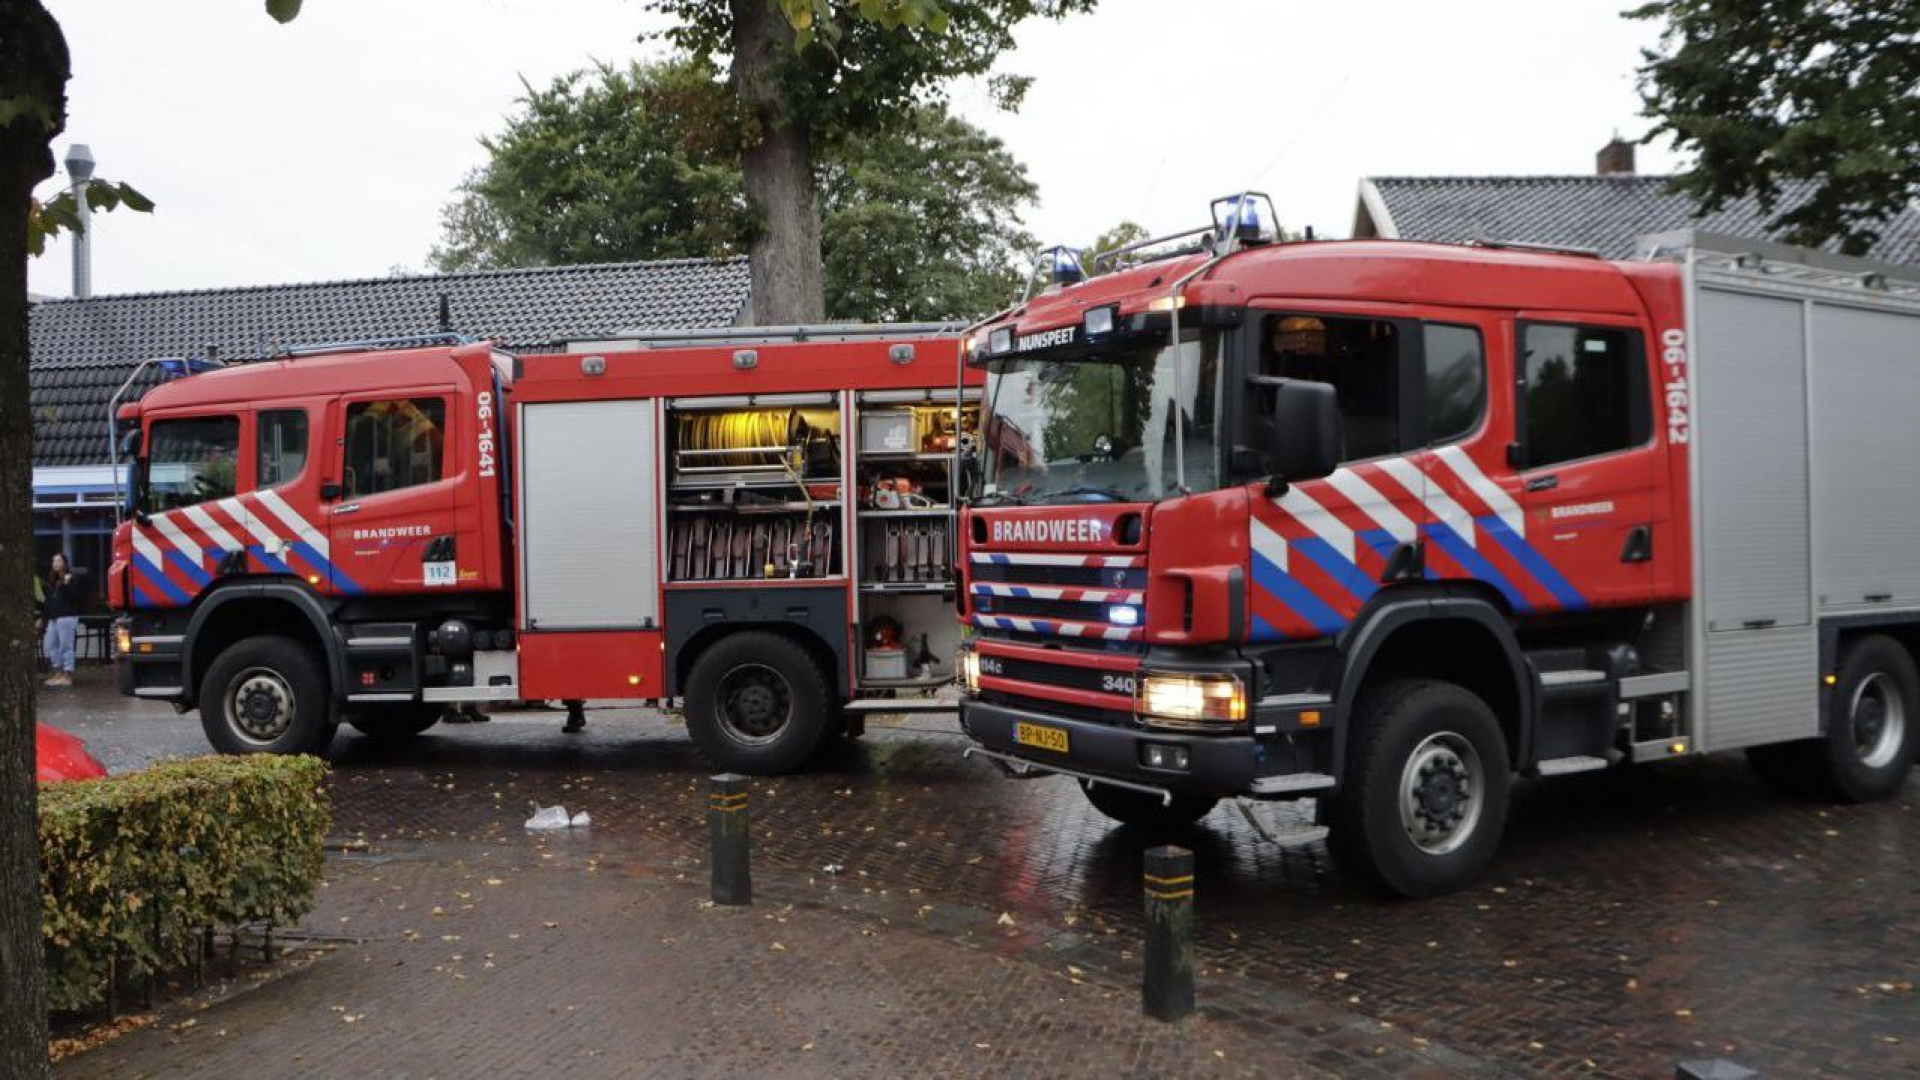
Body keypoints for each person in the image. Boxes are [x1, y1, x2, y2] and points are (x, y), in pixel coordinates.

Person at [40, 554, 86, 688]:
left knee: (65, 646)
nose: (55, 563)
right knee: (50, 645)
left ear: (65, 563)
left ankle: (67, 675)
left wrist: (66, 584)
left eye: (59, 560)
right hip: (53, 618)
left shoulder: (70, 578)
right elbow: (48, 603)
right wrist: (44, 619)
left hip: (66, 617)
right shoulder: (51, 581)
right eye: (54, 560)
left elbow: (75, 598)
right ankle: (58, 672)